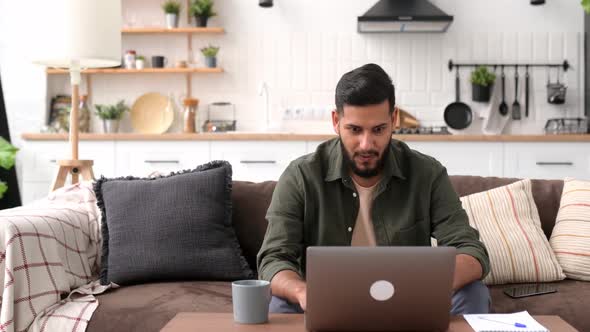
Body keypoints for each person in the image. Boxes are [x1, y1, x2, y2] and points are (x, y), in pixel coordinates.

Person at [256, 63, 491, 315]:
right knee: (279, 302)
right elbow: (274, 259)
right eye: (354, 130)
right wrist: (302, 292)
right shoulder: (300, 176)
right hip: (326, 302)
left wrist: (426, 285)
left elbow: (471, 250)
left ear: (394, 119)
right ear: (336, 121)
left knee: (473, 292)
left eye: (378, 129)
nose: (366, 144)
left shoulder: (427, 174)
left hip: (410, 300)